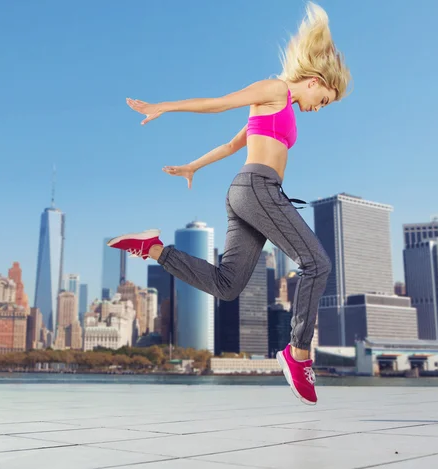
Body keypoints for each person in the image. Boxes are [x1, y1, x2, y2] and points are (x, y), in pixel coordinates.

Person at [108, 2, 351, 405]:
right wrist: (164, 107)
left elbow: (231, 145)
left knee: (227, 286)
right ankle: (298, 353)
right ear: (314, 79)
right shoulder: (276, 90)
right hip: (259, 189)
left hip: (247, 193)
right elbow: (221, 102)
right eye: (324, 99)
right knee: (317, 263)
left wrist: (193, 166)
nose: (319, 107)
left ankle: (154, 248)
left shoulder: (280, 107)